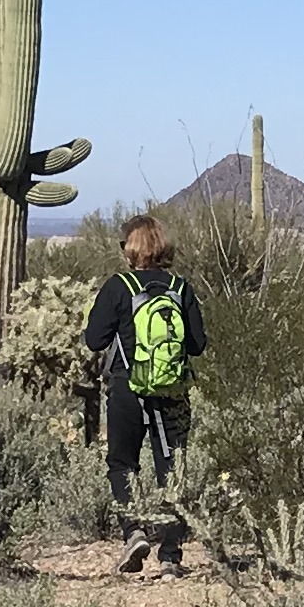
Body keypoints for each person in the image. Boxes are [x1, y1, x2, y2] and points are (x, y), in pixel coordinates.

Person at [81, 212, 210, 573]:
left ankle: (133, 531)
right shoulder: (180, 287)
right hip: (172, 390)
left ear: (130, 249)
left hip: (126, 388)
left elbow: (94, 340)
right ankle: (170, 555)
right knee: (172, 466)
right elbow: (198, 344)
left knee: (123, 463)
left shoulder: (118, 285)